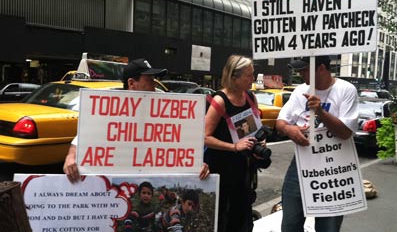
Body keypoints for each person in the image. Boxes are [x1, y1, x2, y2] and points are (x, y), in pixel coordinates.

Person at [63, 58, 210, 183]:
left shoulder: (166, 115)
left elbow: (182, 148)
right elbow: (79, 143)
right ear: (132, 83)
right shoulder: (109, 112)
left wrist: (197, 165)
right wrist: (71, 159)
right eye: (150, 81)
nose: (155, 87)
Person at [275, 56, 358, 232]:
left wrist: (320, 112)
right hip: (301, 164)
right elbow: (280, 122)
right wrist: (290, 131)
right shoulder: (300, 91)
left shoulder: (345, 90)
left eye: (305, 70)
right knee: (290, 223)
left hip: (334, 170)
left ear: (321, 68)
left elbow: (345, 133)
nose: (300, 74)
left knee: (328, 226)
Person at [204, 54, 262, 232]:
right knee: (222, 218)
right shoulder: (219, 100)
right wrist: (234, 147)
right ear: (234, 77)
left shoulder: (250, 97)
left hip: (244, 170)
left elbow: (255, 129)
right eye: (248, 75)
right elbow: (204, 137)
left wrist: (261, 142)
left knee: (242, 218)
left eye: (253, 74)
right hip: (221, 169)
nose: (252, 79)